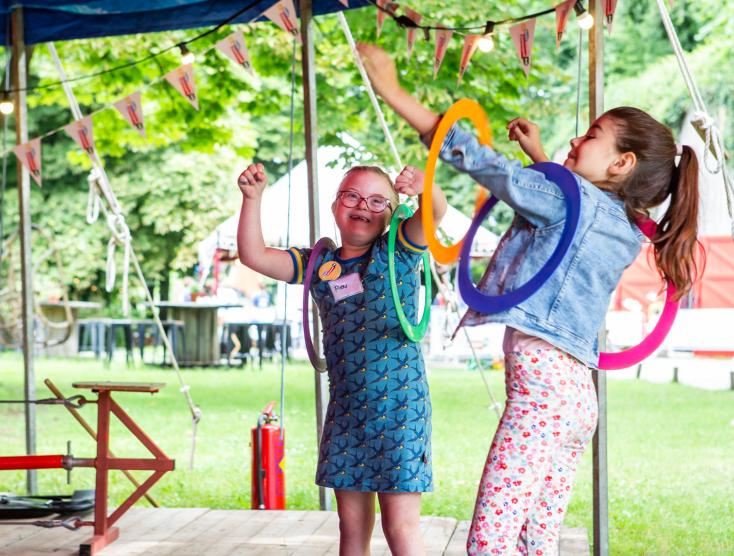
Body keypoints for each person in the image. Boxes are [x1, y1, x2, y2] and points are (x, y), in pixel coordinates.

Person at [356, 43, 700, 555]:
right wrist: (543, 161)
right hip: (579, 400)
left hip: (541, 393)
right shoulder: (625, 227)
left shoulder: (566, 202)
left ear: (622, 162)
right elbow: (572, 213)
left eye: (591, 136)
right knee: (534, 541)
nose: (576, 138)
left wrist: (394, 91)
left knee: (490, 541)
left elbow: (481, 163)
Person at [236, 162, 447, 555]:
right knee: (350, 527)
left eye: (377, 200)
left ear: (392, 211)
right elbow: (254, 256)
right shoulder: (320, 264)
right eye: (352, 195)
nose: (363, 206)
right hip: (347, 413)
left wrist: (426, 187)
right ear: (335, 205)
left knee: (400, 527)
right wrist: (252, 199)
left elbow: (435, 213)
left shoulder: (398, 250)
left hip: (399, 410)